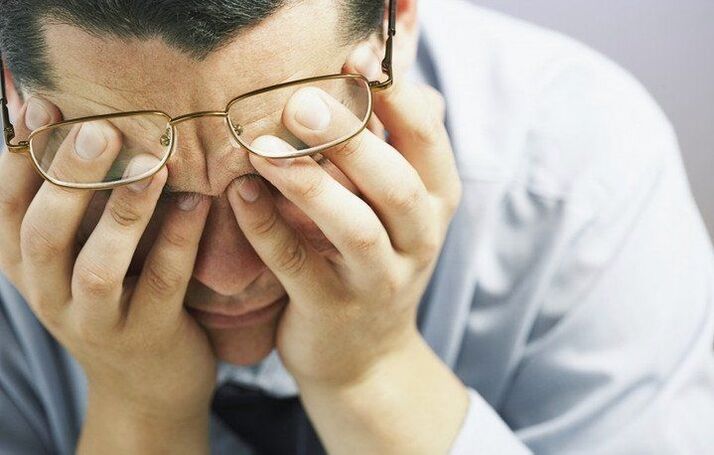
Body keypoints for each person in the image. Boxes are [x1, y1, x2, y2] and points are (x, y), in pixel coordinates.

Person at [1, 0, 713, 453]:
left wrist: (371, 373)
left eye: (288, 162)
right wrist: (140, 408)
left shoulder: (576, 175)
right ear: (13, 90)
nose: (228, 273)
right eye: (133, 183)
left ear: (394, 22)